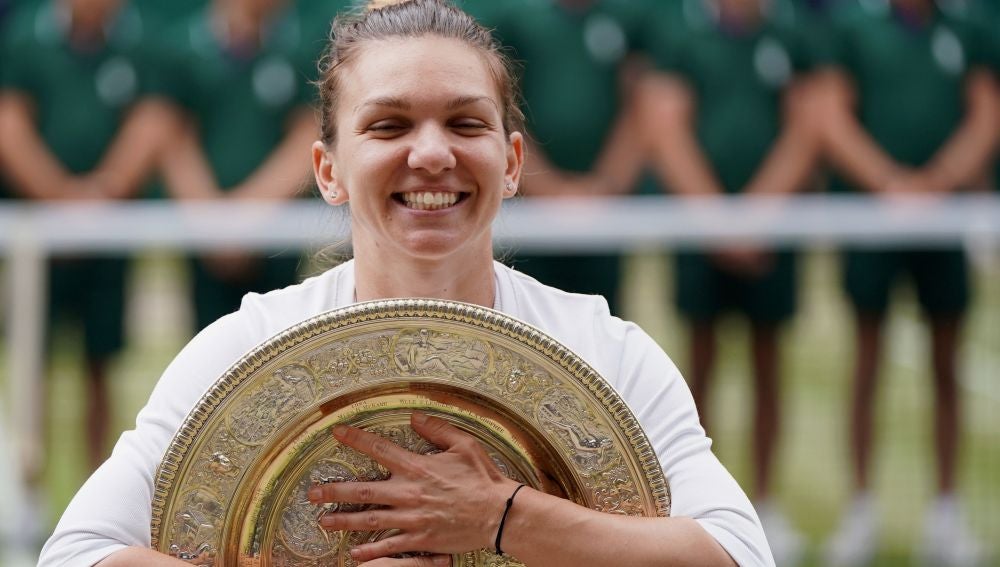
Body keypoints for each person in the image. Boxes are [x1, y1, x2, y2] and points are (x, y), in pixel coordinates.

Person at [39, 1, 774, 565]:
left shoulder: (606, 349)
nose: (431, 154)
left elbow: (741, 552)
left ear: (512, 161)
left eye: (465, 123)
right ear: (327, 170)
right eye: (388, 126)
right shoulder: (247, 346)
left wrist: (502, 517)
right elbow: (76, 550)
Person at [634, 0, 822, 564]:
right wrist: (717, 220)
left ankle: (766, 504)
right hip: (702, 233)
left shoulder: (792, 33)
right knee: (700, 371)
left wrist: (758, 216)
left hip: (771, 235)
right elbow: (665, 124)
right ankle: (698, 510)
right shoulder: (680, 31)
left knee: (769, 366)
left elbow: (806, 123)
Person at [814, 0, 999, 564]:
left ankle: (947, 512)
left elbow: (986, 113)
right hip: (875, 221)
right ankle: (860, 509)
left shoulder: (966, 28)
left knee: (948, 362)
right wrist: (891, 184)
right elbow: (833, 115)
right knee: (866, 360)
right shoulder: (853, 28)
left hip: (942, 223)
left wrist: (937, 184)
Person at [0, 0, 177, 472]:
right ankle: (30, 484)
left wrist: (103, 191)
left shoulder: (141, 40)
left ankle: (94, 484)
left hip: (109, 231)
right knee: (31, 363)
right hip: (38, 234)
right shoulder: (25, 37)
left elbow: (152, 120)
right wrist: (59, 198)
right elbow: (10, 124)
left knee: (101, 363)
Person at [465, 0, 649, 316]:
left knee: (602, 320)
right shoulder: (516, 17)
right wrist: (551, 189)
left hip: (604, 210)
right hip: (530, 209)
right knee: (528, 322)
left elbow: (640, 103)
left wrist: (604, 187)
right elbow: (503, 106)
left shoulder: (628, 15)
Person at [152, 0, 322, 333]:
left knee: (280, 348)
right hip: (204, 235)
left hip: (278, 235)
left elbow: (308, 135)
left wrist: (247, 216)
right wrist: (212, 221)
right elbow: (171, 137)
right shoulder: (181, 47)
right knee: (208, 348)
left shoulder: (304, 46)